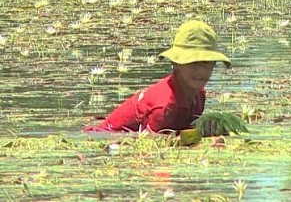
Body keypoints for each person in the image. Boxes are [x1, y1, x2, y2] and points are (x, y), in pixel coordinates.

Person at [84, 20, 230, 134]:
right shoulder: (164, 107)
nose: (201, 71)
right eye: (193, 63)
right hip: (106, 138)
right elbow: (154, 149)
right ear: (175, 63)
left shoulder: (199, 96)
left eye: (207, 63)